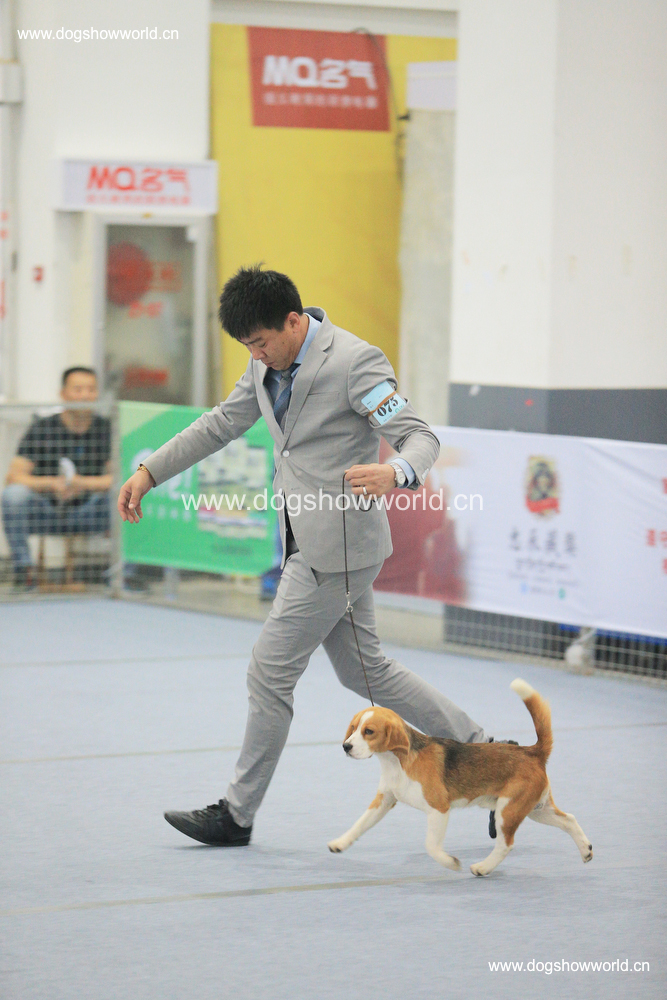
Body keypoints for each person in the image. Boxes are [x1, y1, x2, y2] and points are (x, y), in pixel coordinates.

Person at [117, 266, 489, 847]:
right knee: (366, 671)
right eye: (247, 346)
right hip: (307, 539)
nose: (256, 354)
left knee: (269, 673)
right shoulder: (263, 364)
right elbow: (220, 424)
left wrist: (396, 471)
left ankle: (236, 815)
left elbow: (421, 437)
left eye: (261, 342)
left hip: (335, 551)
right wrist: (149, 471)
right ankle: (485, 755)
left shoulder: (356, 363)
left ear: (294, 321)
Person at [2, 367, 112, 588]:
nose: (85, 395)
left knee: (128, 496)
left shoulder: (107, 429)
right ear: (63, 393)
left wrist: (82, 484)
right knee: (13, 495)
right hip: (46, 511)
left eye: (91, 389)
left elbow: (120, 478)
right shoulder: (42, 428)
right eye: (78, 389)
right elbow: (14, 477)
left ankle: (121, 576)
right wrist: (52, 484)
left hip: (88, 512)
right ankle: (24, 571)